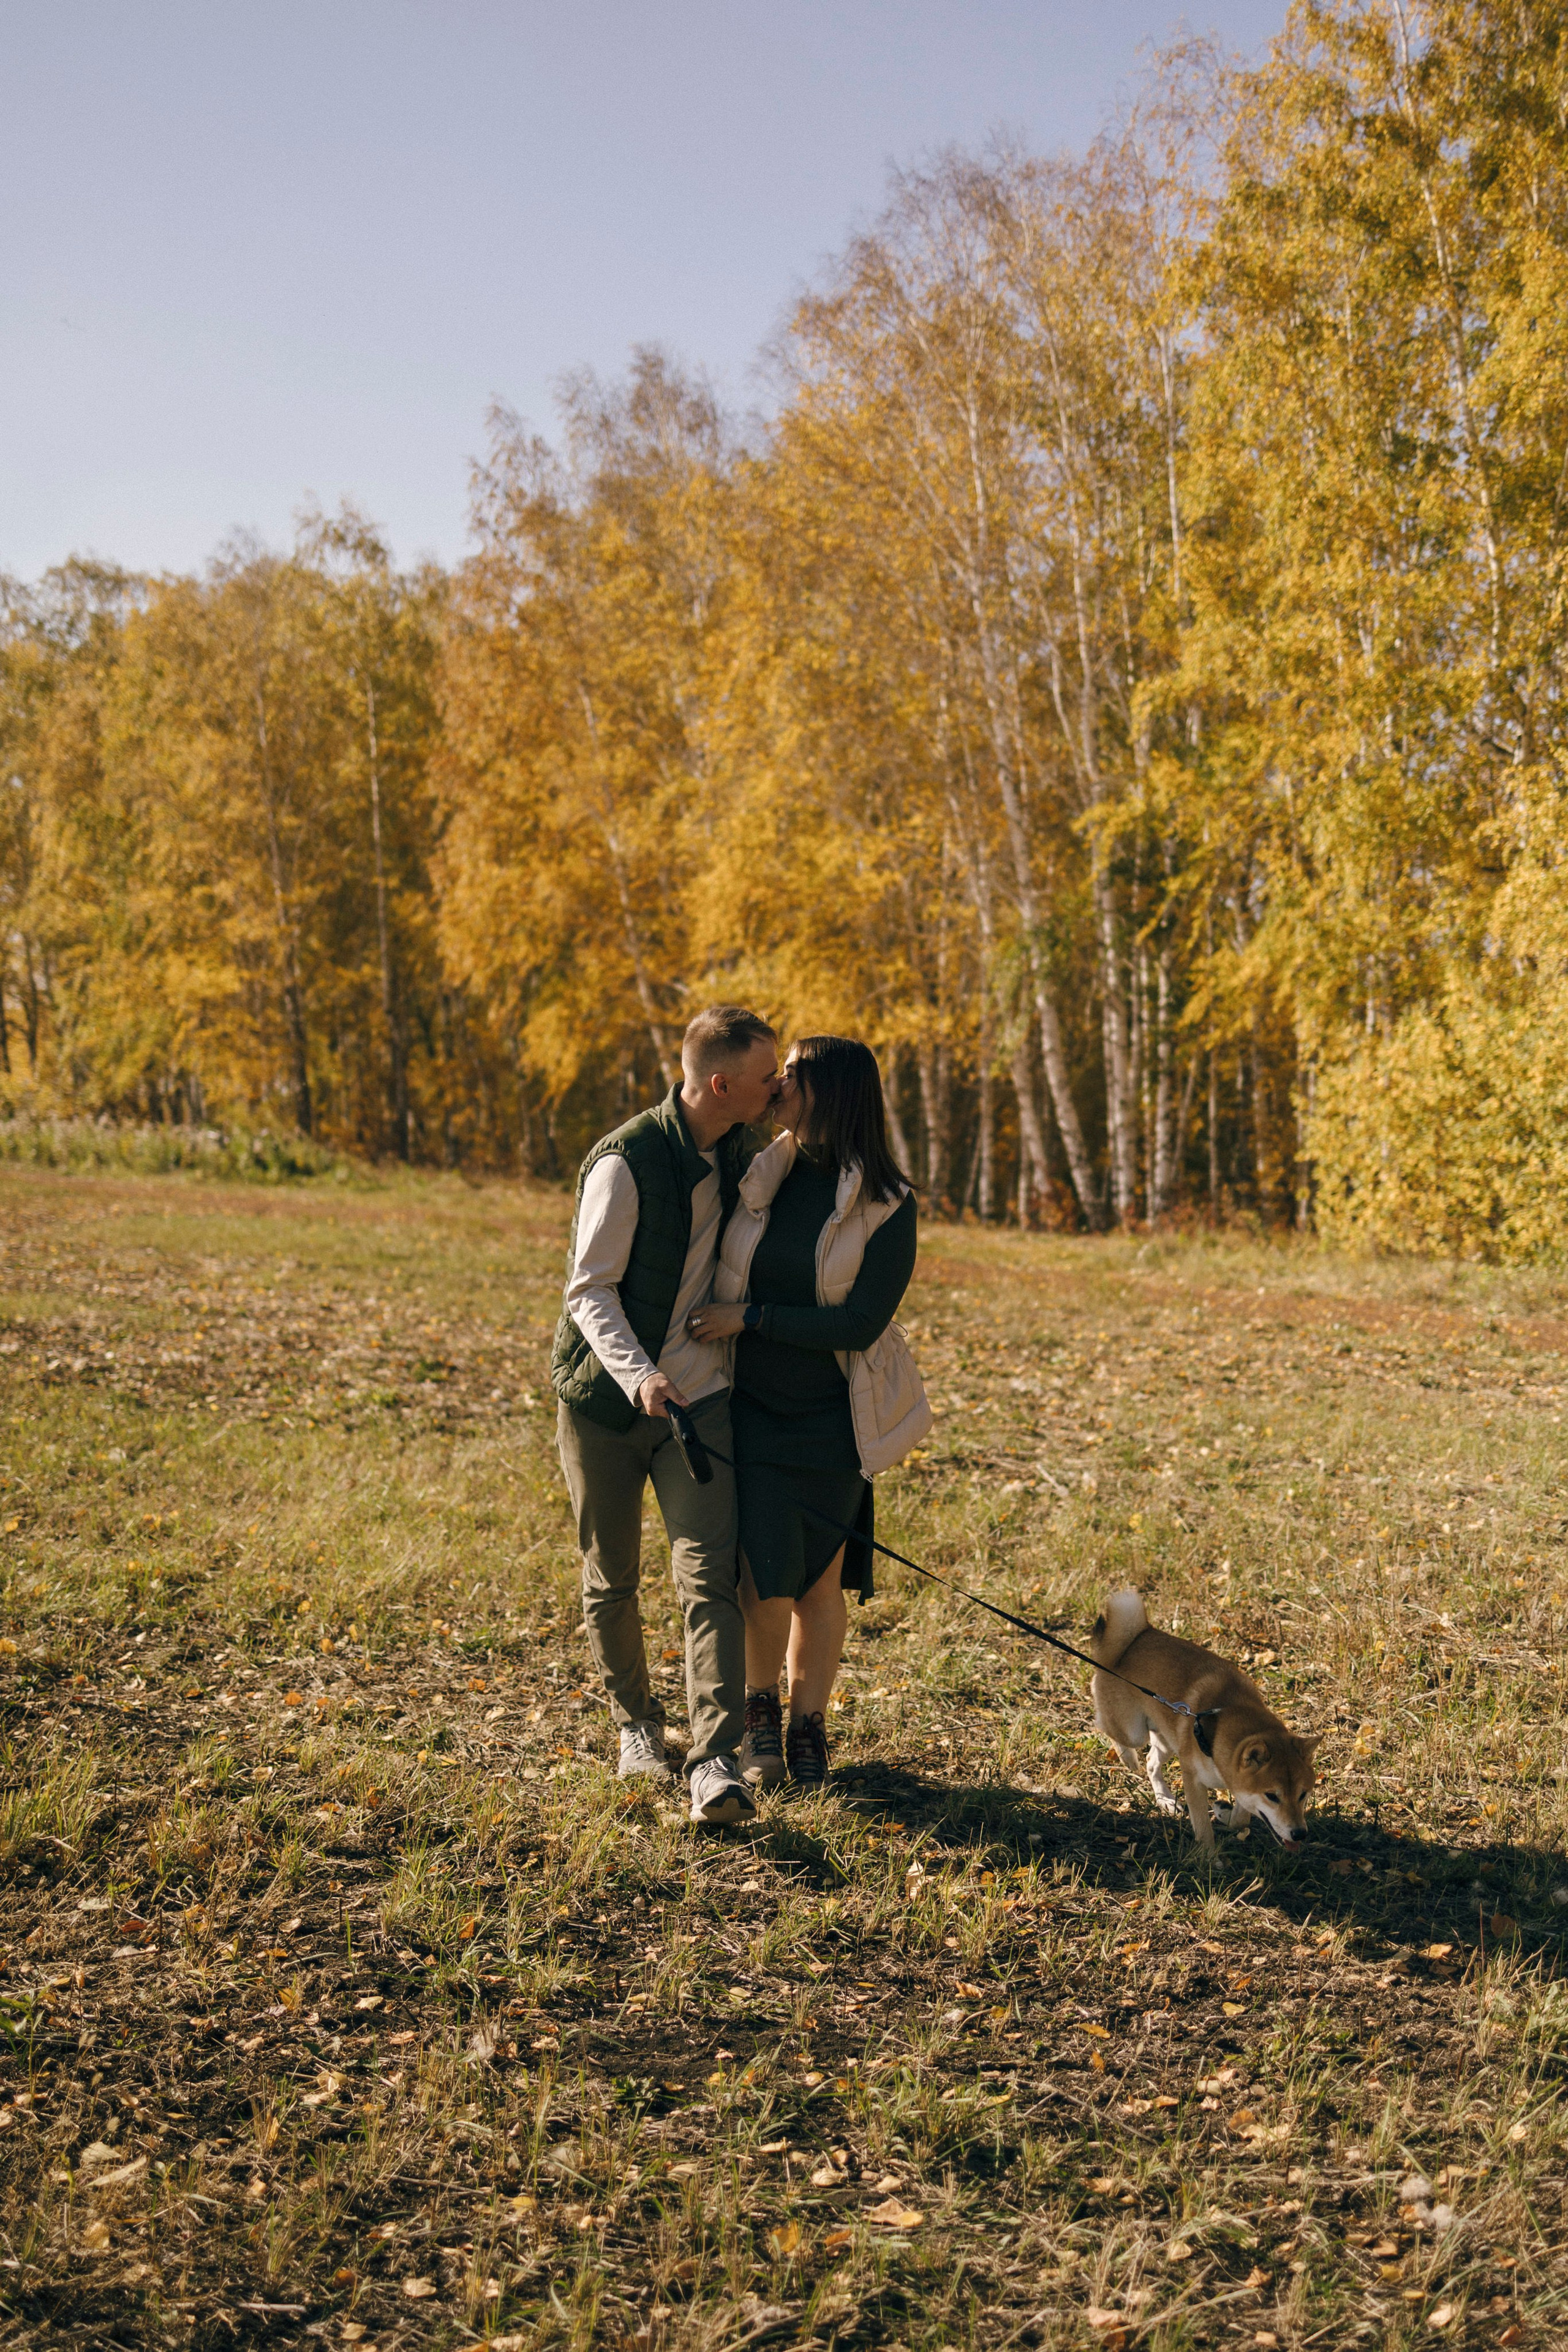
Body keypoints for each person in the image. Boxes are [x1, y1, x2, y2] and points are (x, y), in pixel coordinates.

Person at [551, 1005, 780, 1825]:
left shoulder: (744, 1148)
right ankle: (637, 1728)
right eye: (767, 1077)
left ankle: (715, 1761)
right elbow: (589, 1290)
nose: (779, 1086)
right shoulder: (627, 1162)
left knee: (707, 1578)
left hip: (702, 1400)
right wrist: (640, 1377)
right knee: (611, 1578)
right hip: (608, 1405)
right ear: (721, 1084)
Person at [684, 1035, 931, 1787]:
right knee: (763, 1577)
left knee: (819, 1584)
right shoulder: (757, 1169)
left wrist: (751, 1316)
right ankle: (758, 1720)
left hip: (832, 1417)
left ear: (834, 1091)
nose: (779, 1082)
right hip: (752, 1409)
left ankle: (807, 1729)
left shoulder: (889, 1204)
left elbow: (860, 1323)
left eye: (794, 1072)